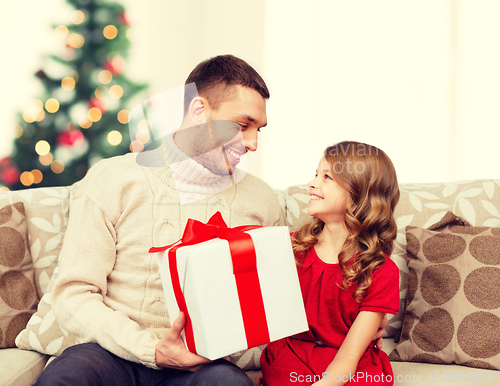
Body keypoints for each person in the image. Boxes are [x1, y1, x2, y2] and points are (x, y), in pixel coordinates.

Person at [34, 55, 284, 386]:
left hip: (206, 365)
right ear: (199, 111)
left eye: (258, 130)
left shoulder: (262, 201)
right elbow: (73, 294)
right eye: (241, 125)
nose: (252, 144)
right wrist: (150, 349)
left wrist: (219, 349)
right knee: (67, 377)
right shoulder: (113, 179)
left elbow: (273, 313)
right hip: (112, 355)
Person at [258, 141, 400, 386]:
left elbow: (349, 356)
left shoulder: (382, 271)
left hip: (350, 362)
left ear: (360, 193)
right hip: (294, 354)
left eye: (327, 177)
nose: (312, 183)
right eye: (316, 174)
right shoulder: (290, 248)